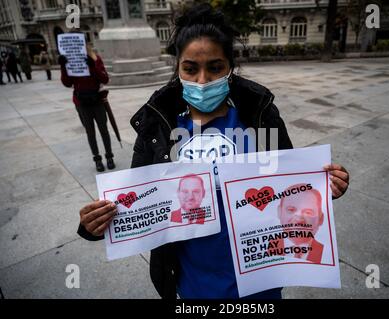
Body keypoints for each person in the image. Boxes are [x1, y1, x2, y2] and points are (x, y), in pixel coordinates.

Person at [77, 3, 350, 299]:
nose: (203, 80)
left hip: (261, 279)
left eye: (215, 67)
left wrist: (328, 183)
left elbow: (293, 186)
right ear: (178, 67)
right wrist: (96, 224)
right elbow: (137, 201)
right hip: (194, 284)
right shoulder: (158, 126)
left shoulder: (260, 117)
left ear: (230, 67)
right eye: (191, 69)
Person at [58, 43, 115, 172]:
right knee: (90, 132)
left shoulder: (95, 58)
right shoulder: (70, 61)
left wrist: (93, 66)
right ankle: (97, 159)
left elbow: (105, 79)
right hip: (82, 103)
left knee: (104, 130)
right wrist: (63, 66)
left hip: (97, 101)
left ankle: (109, 156)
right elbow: (67, 83)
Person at [268, 183, 325, 263]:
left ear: (321, 219)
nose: (298, 219)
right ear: (279, 212)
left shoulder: (327, 253)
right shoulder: (263, 248)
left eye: (308, 212)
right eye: (291, 210)